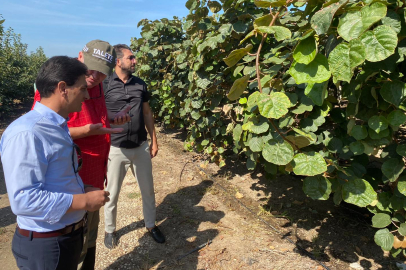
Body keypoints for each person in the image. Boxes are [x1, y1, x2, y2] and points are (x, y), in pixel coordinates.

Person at [0, 56, 110, 270]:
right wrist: (84, 201)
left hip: (63, 239)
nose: (87, 94)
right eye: (81, 88)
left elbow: (55, 177)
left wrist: (81, 188)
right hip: (46, 246)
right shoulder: (28, 133)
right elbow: (24, 200)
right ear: (62, 88)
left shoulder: (56, 127)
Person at [31, 40, 130, 269]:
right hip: (72, 179)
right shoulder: (58, 84)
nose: (94, 77)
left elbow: (97, 120)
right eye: (91, 69)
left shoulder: (99, 87)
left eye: (102, 73)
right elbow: (42, 129)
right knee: (71, 241)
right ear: (80, 56)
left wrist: (113, 119)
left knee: (90, 237)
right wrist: (85, 131)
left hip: (95, 176)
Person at [103, 44, 165, 249]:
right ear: (118, 61)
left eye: (134, 58)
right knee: (111, 192)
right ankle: (110, 230)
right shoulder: (104, 85)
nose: (135, 61)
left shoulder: (140, 84)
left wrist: (153, 141)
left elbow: (147, 113)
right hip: (116, 148)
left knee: (148, 190)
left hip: (140, 146)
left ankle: (150, 225)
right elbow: (99, 116)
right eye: (131, 58)